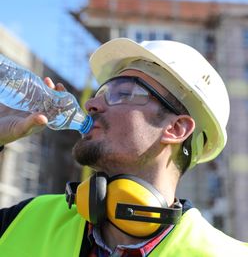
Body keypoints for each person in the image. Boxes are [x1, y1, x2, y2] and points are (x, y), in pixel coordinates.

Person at [0, 38, 247, 256]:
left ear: (176, 129)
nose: (91, 103)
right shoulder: (27, 219)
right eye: (101, 91)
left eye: (122, 93)